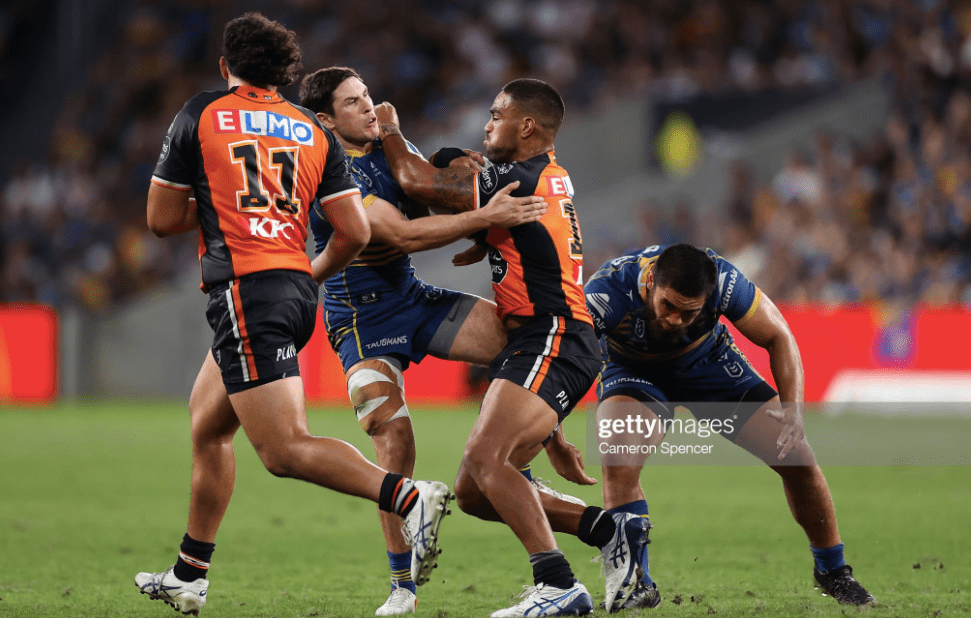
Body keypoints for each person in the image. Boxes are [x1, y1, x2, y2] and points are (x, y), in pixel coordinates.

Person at [133, 14, 453, 616]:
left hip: (245, 292)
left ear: (225, 66)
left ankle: (410, 499)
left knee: (283, 451)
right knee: (208, 425)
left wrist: (219, 205)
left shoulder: (202, 112)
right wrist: (304, 271)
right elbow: (354, 231)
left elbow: (160, 219)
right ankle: (189, 575)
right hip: (296, 287)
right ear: (285, 73)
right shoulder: (311, 127)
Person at [298, 66, 586, 616]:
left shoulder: (390, 152)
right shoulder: (329, 171)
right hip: (359, 316)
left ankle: (532, 456)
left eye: (367, 94)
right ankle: (402, 587)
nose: (369, 106)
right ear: (325, 120)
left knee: (520, 344)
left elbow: (430, 194)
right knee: (395, 442)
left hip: (412, 297)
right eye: (352, 102)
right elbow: (403, 234)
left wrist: (477, 214)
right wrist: (486, 214)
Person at [375, 78, 651, 617]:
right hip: (545, 338)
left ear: (526, 126)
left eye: (496, 115)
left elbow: (414, 179)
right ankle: (607, 530)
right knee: (476, 492)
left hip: (552, 334)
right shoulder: (545, 175)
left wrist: (388, 128)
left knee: (486, 459)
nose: (486, 125)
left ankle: (558, 584)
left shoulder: (518, 178)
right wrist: (486, 234)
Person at [584, 243, 877, 609]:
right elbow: (566, 354)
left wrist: (792, 411)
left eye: (688, 312)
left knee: (796, 456)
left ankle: (833, 572)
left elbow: (779, 336)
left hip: (707, 364)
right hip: (632, 370)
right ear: (651, 280)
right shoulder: (607, 291)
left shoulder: (725, 280)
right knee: (619, 460)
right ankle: (636, 583)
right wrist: (553, 427)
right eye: (668, 305)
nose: (675, 319)